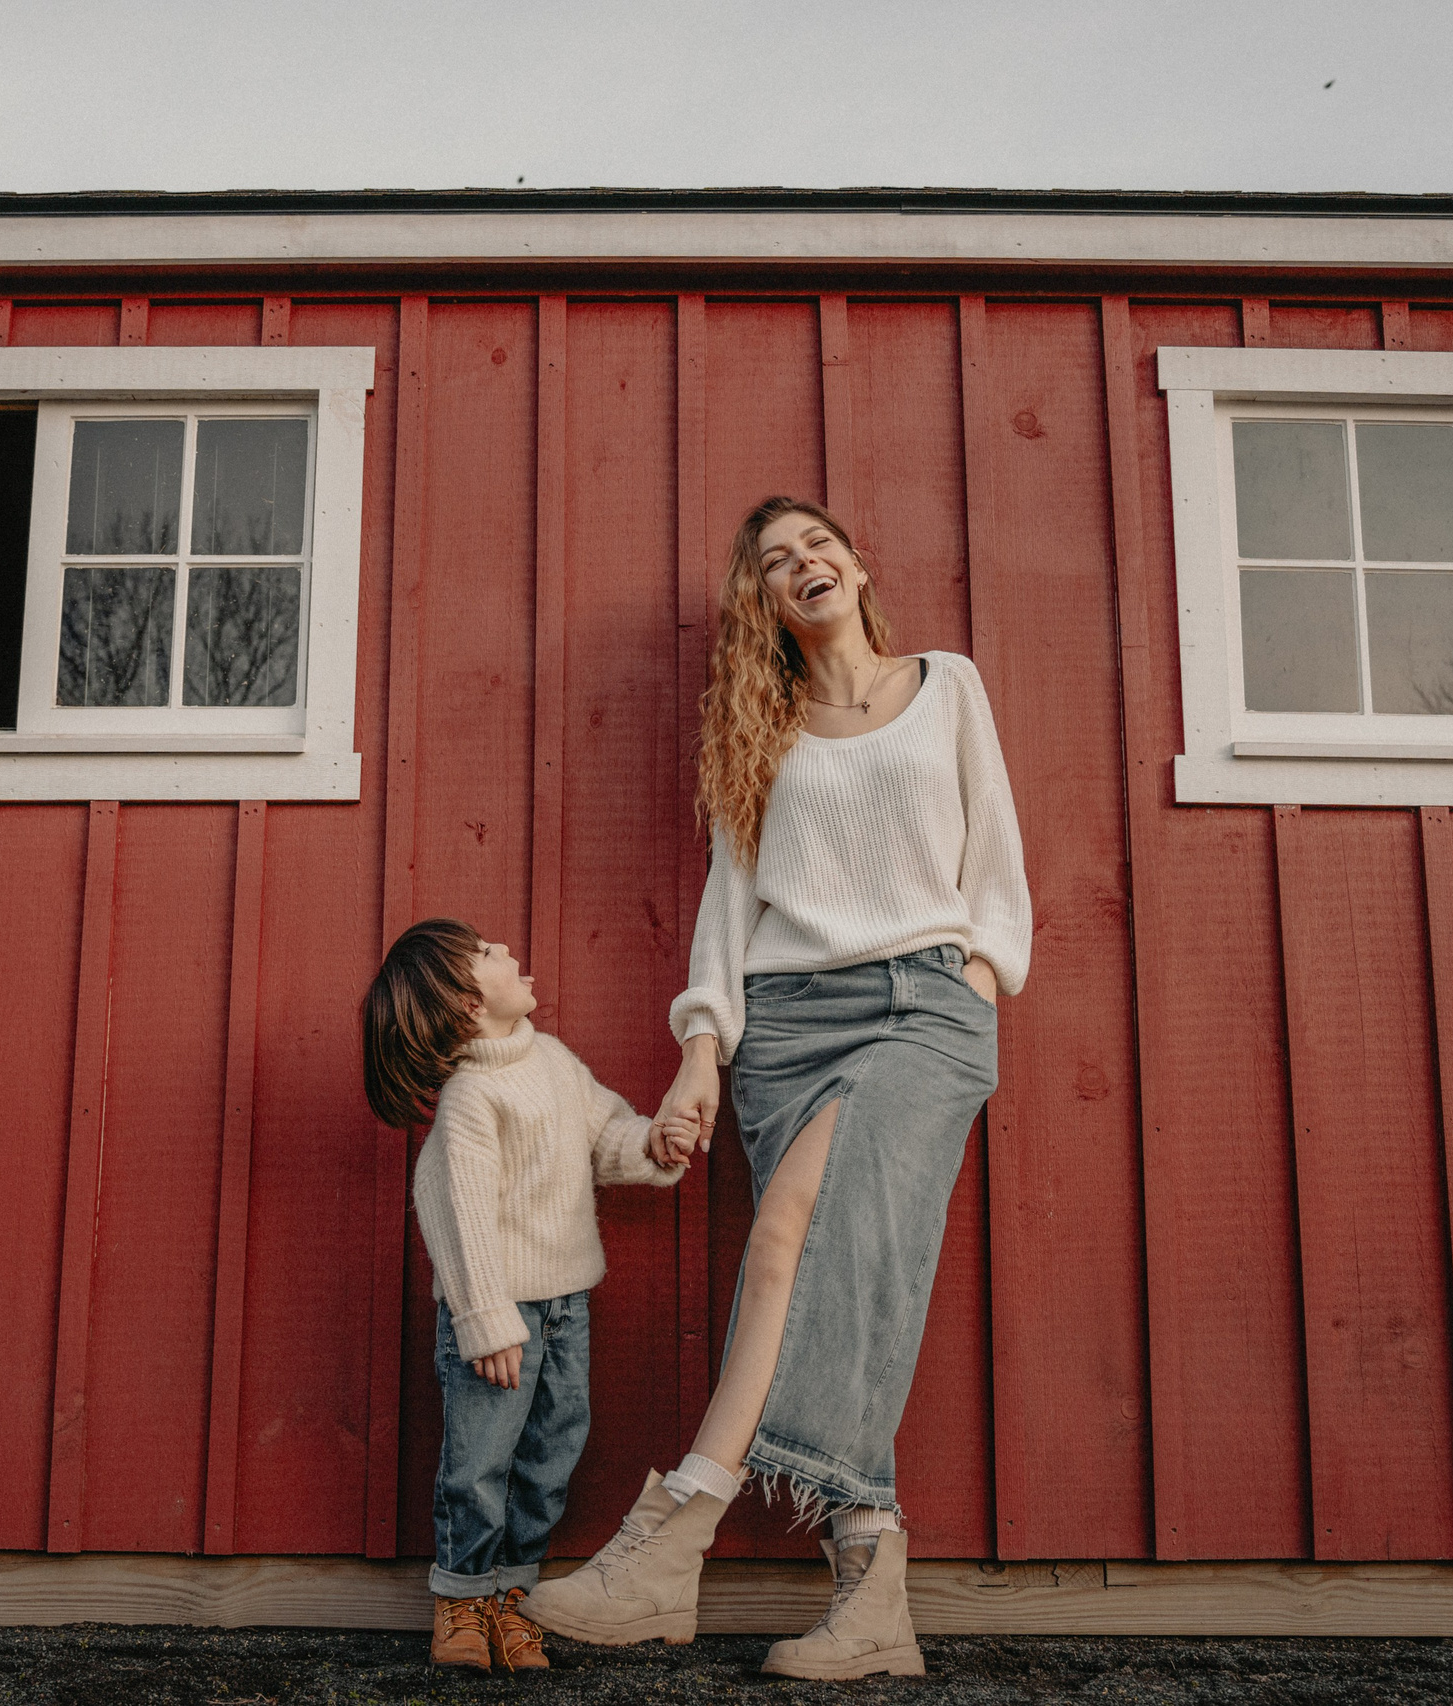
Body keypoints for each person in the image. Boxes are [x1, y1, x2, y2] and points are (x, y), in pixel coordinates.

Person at [524, 497, 1031, 1680]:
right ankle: (873, 1594)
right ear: (762, 603)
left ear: (858, 564)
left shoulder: (945, 684)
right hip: (788, 1023)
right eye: (772, 562)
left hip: (921, 1008)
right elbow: (728, 904)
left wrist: (977, 968)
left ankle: (673, 1532)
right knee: (832, 1270)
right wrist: (702, 1048)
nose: (801, 564)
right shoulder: (762, 726)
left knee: (795, 1232)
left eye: (815, 546)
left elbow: (995, 852)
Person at [362, 919, 701, 1673]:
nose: (508, 951)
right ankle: (461, 1599)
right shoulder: (472, 1100)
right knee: (480, 1463)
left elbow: (601, 1132)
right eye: (486, 954)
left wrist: (650, 1143)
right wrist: (486, 1321)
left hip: (565, 1306)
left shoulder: (551, 1062)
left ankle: (512, 1597)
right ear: (465, 1005)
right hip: (500, 1316)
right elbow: (459, 1217)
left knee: (551, 1453)